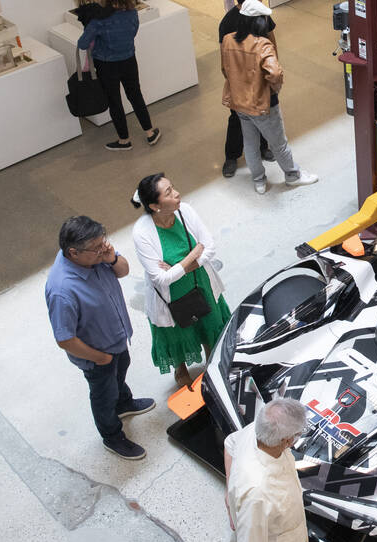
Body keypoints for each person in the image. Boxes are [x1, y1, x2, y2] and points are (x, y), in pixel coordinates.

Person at [46, 216, 155, 460]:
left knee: (121, 371)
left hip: (116, 339)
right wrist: (101, 358)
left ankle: (123, 403)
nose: (102, 249)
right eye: (96, 248)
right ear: (73, 252)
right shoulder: (62, 290)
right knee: (103, 394)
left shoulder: (97, 255)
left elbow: (124, 271)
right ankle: (112, 435)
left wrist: (111, 257)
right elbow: (64, 338)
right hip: (98, 355)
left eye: (103, 243)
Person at [130, 174, 232, 387]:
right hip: (170, 296)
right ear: (154, 205)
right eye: (168, 192)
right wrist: (191, 256)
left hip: (200, 282)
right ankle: (181, 371)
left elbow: (209, 247)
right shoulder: (142, 232)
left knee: (208, 323)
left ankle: (212, 368)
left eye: (173, 187)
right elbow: (161, 279)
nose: (176, 193)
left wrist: (182, 267)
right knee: (177, 332)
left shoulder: (185, 210)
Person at [222, 1, 319, 195]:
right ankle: (293, 175)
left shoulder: (228, 40)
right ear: (257, 21)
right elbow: (274, 73)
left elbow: (225, 70)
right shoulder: (262, 44)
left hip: (240, 103)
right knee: (279, 143)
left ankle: (259, 180)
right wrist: (275, 88)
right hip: (263, 103)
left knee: (250, 144)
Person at [225, 398, 310, 542]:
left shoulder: (259, 429)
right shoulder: (258, 493)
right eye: (297, 435)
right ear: (287, 441)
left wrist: (229, 495)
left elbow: (230, 443)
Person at [77, 0, 161, 151]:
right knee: (135, 95)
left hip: (106, 65)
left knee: (114, 101)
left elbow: (83, 44)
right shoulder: (132, 14)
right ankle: (150, 133)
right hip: (129, 60)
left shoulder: (98, 21)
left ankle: (124, 140)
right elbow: (133, 33)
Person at [219, 1, 273, 178]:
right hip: (240, 79)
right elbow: (224, 57)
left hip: (259, 76)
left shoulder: (261, 14)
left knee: (262, 113)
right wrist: (232, 78)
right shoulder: (228, 22)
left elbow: (271, 40)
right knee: (236, 117)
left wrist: (272, 68)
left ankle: (263, 147)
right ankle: (232, 156)